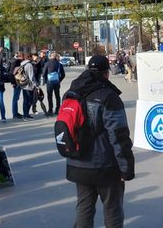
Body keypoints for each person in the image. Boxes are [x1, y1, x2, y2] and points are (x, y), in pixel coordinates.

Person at [66, 55, 135, 228]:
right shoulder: (108, 96)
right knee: (112, 209)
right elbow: (119, 136)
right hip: (105, 165)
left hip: (77, 161)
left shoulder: (73, 92)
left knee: (84, 209)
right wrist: (126, 168)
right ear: (107, 73)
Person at [42, 51, 66, 116]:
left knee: (50, 96)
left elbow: (44, 73)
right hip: (57, 82)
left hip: (49, 82)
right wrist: (59, 80)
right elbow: (63, 74)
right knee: (57, 96)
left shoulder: (47, 63)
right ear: (56, 57)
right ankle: (57, 109)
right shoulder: (59, 64)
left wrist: (44, 81)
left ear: (51, 57)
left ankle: (50, 110)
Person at [19, 54, 38, 120]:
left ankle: (25, 114)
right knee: (29, 100)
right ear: (29, 57)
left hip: (23, 84)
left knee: (25, 100)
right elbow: (31, 76)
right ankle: (26, 115)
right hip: (29, 85)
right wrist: (36, 85)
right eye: (32, 57)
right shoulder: (29, 65)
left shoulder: (22, 64)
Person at [8, 53, 23, 119]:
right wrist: (13, 82)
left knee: (16, 98)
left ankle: (15, 112)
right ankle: (15, 113)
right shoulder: (16, 62)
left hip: (16, 81)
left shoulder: (14, 61)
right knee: (15, 98)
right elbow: (11, 73)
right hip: (16, 82)